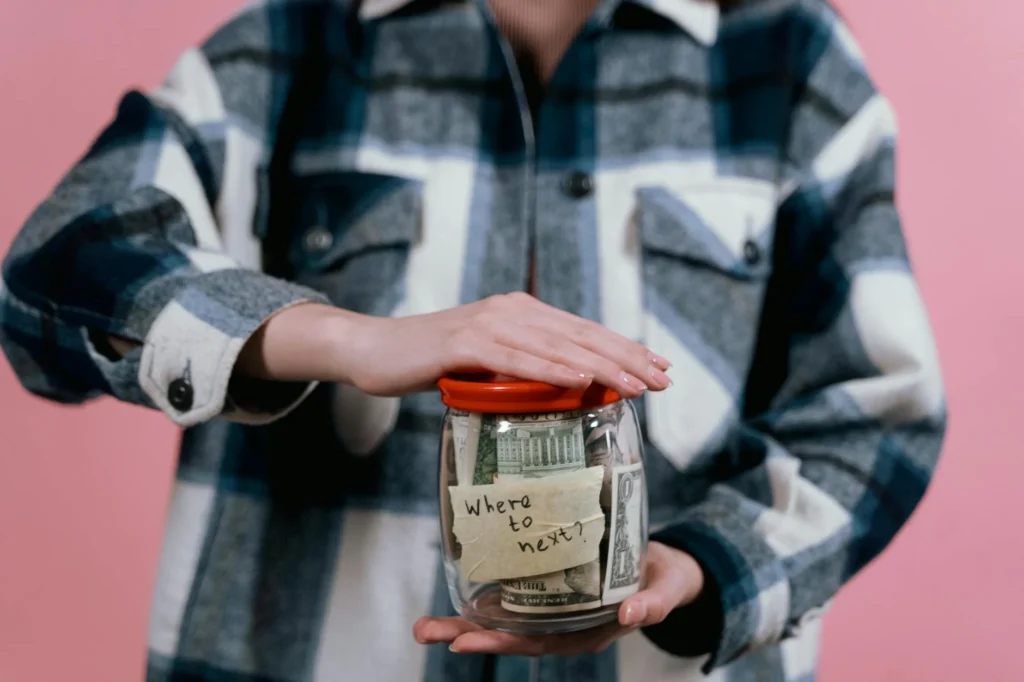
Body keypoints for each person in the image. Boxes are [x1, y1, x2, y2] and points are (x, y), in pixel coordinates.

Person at [0, 0, 947, 680]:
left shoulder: (791, 59)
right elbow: (57, 267)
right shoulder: (290, 41)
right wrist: (339, 338)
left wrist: (706, 567)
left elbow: (876, 413)